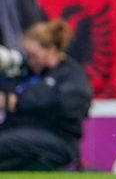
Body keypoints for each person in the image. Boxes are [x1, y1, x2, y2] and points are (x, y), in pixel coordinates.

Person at [0, 20, 92, 170]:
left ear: (50, 49)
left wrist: (19, 101)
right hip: (16, 133)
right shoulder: (24, 72)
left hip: (56, 138)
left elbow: (71, 104)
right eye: (27, 55)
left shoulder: (70, 73)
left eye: (33, 55)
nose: (30, 61)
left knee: (6, 143)